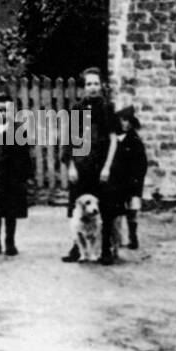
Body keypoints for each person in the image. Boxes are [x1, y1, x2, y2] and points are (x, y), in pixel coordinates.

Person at [62, 67, 120, 265]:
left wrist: (107, 167)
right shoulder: (77, 109)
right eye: (88, 84)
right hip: (82, 166)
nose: (92, 87)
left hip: (102, 167)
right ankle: (77, 247)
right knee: (78, 206)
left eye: (96, 83)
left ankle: (105, 249)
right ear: (83, 88)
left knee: (105, 207)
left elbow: (113, 139)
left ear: (101, 86)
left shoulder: (107, 109)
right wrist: (71, 166)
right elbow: (70, 140)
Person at [0, 91, 31, 256]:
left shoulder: (19, 129)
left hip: (12, 177)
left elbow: (25, 154)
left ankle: (10, 242)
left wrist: (24, 175)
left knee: (11, 210)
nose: (3, 114)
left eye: (7, 110)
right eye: (0, 110)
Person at [109, 107, 148, 250]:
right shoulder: (113, 139)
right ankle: (117, 238)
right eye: (123, 120)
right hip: (116, 181)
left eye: (129, 121)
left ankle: (133, 236)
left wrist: (137, 181)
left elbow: (142, 164)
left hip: (132, 181)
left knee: (132, 209)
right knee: (116, 210)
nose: (126, 124)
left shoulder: (135, 140)